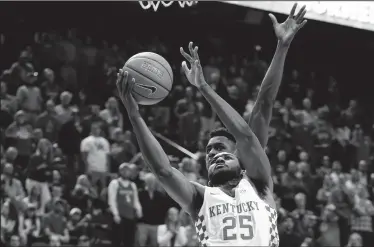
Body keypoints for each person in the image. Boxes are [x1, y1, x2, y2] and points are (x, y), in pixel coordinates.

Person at [117, 4, 307, 246]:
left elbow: (262, 107)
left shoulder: (258, 183)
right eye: (209, 152)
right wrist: (135, 116)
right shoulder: (199, 197)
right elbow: (163, 170)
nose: (213, 154)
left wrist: (282, 46)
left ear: (240, 156)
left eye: (220, 148)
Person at [108, 163, 142, 247]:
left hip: (130, 217)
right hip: (120, 216)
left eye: (128, 171)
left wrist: (139, 209)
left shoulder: (133, 185)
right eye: (124, 170)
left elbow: (135, 200)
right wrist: (115, 214)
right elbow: (112, 200)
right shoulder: (115, 183)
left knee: (129, 241)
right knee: (117, 241)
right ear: (120, 171)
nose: (126, 172)